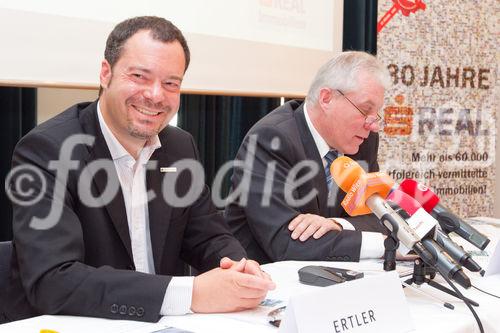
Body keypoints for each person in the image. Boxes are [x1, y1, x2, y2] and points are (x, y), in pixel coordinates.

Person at [1, 16, 274, 323]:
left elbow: (208, 236)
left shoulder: (179, 147)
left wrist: (239, 266)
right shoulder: (48, 150)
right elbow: (53, 281)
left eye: (171, 83)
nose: (156, 95)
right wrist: (191, 293)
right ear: (106, 73)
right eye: (140, 77)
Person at [225, 51, 391, 264]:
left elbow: (380, 216)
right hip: (266, 281)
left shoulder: (363, 141)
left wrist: (340, 225)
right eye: (365, 110)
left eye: (376, 114)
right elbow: (287, 243)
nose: (373, 124)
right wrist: (384, 245)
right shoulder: (272, 140)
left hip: (333, 277)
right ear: (326, 98)